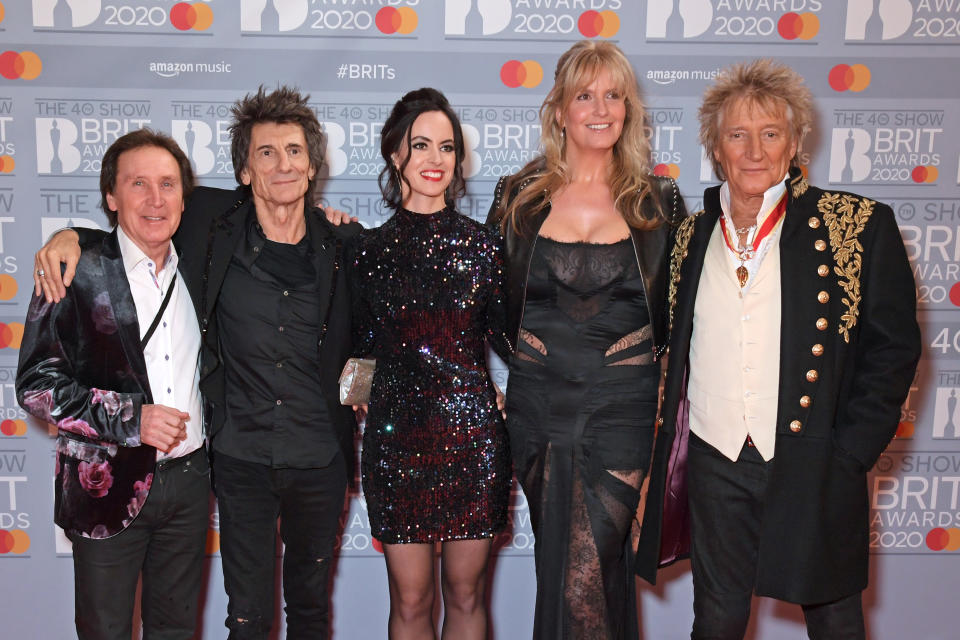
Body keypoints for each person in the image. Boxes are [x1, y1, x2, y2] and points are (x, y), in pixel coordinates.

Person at [32, 86, 360, 640]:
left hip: (311, 457)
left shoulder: (344, 244)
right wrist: (66, 237)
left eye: (295, 151)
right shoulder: (211, 223)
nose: (283, 164)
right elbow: (132, 225)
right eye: (266, 152)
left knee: (307, 611)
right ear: (244, 171)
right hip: (236, 461)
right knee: (245, 618)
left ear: (313, 166)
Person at [635, 59, 922, 639]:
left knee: (835, 618)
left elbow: (893, 350)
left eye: (770, 134)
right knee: (716, 618)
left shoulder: (857, 225)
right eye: (737, 135)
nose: (754, 150)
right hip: (716, 458)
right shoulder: (689, 235)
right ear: (716, 148)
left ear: (795, 143)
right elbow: (672, 349)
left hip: (814, 460)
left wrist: (850, 454)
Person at [486, 41, 686, 640]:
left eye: (614, 95)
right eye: (585, 95)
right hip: (538, 412)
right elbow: (496, 308)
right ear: (560, 109)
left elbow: (675, 321)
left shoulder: (660, 203)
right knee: (562, 568)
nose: (601, 109)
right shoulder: (518, 199)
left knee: (588, 567)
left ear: (628, 108)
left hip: (622, 412)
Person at [17, 129, 209, 639]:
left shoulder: (203, 266)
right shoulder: (75, 270)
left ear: (184, 198)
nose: (155, 199)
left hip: (189, 485)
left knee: (175, 631)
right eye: (138, 184)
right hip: (104, 484)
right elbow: (36, 386)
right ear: (111, 196)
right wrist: (131, 419)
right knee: (105, 631)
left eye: (168, 184)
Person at [352, 87, 511, 640]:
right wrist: (360, 401)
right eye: (421, 145)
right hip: (396, 443)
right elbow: (357, 352)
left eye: (447, 147)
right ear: (395, 153)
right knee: (411, 599)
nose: (435, 159)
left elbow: (512, 342)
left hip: (473, 440)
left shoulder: (486, 248)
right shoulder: (366, 252)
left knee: (467, 595)